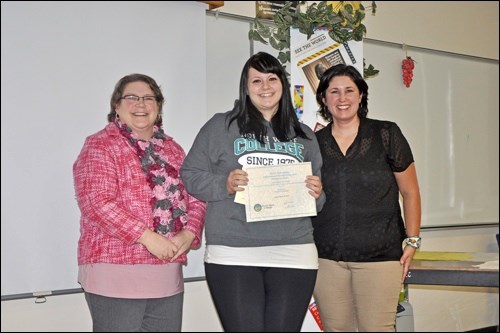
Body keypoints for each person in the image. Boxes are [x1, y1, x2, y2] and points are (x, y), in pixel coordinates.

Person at [180, 52, 326, 332]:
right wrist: (224, 184)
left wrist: (316, 193)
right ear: (245, 88)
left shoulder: (305, 135)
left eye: (272, 79)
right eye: (256, 81)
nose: (265, 86)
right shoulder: (220, 126)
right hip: (233, 251)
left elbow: (319, 201)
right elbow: (190, 175)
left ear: (282, 84)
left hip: (294, 250)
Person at [73, 73, 206, 332]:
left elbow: (197, 196)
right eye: (131, 98)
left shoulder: (173, 149)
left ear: (158, 106)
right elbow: (96, 203)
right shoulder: (99, 145)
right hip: (114, 274)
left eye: (148, 98)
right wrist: (147, 237)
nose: (141, 104)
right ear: (116, 106)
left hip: (166, 277)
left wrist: (189, 234)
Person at [312, 64, 422, 332]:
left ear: (361, 95)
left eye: (350, 90)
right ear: (324, 98)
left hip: (380, 256)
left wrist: (412, 240)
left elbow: (411, 192)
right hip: (326, 259)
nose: (342, 98)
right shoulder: (313, 142)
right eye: (334, 92)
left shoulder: (386, 134)